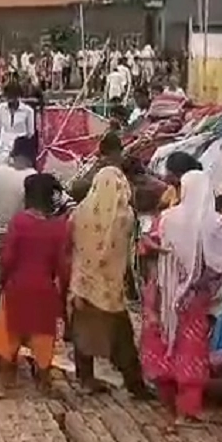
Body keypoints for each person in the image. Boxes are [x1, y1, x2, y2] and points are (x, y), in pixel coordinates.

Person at [139, 170, 222, 422]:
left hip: (163, 291)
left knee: (163, 338)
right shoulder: (215, 224)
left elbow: (146, 247)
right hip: (195, 296)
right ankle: (188, 409)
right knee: (191, 345)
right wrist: (201, 284)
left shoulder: (167, 218)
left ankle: (168, 400)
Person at [67, 135, 150, 399]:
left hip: (83, 282)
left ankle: (86, 378)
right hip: (111, 286)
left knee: (83, 334)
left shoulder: (79, 213)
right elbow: (127, 254)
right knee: (121, 335)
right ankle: (134, 384)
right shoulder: (124, 217)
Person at [0, 173, 71, 398]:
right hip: (44, 289)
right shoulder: (58, 227)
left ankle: (3, 383)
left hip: (17, 286)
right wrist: (62, 294)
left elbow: (8, 258)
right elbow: (61, 266)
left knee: (8, 333)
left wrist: (0, 279)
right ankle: (44, 382)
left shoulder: (19, 222)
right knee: (43, 337)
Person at [0, 82, 36, 167]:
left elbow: (30, 133)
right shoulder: (1, 108)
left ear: (18, 96)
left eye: (12, 96)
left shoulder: (28, 111)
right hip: (3, 148)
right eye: (8, 96)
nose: (10, 99)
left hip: (20, 149)